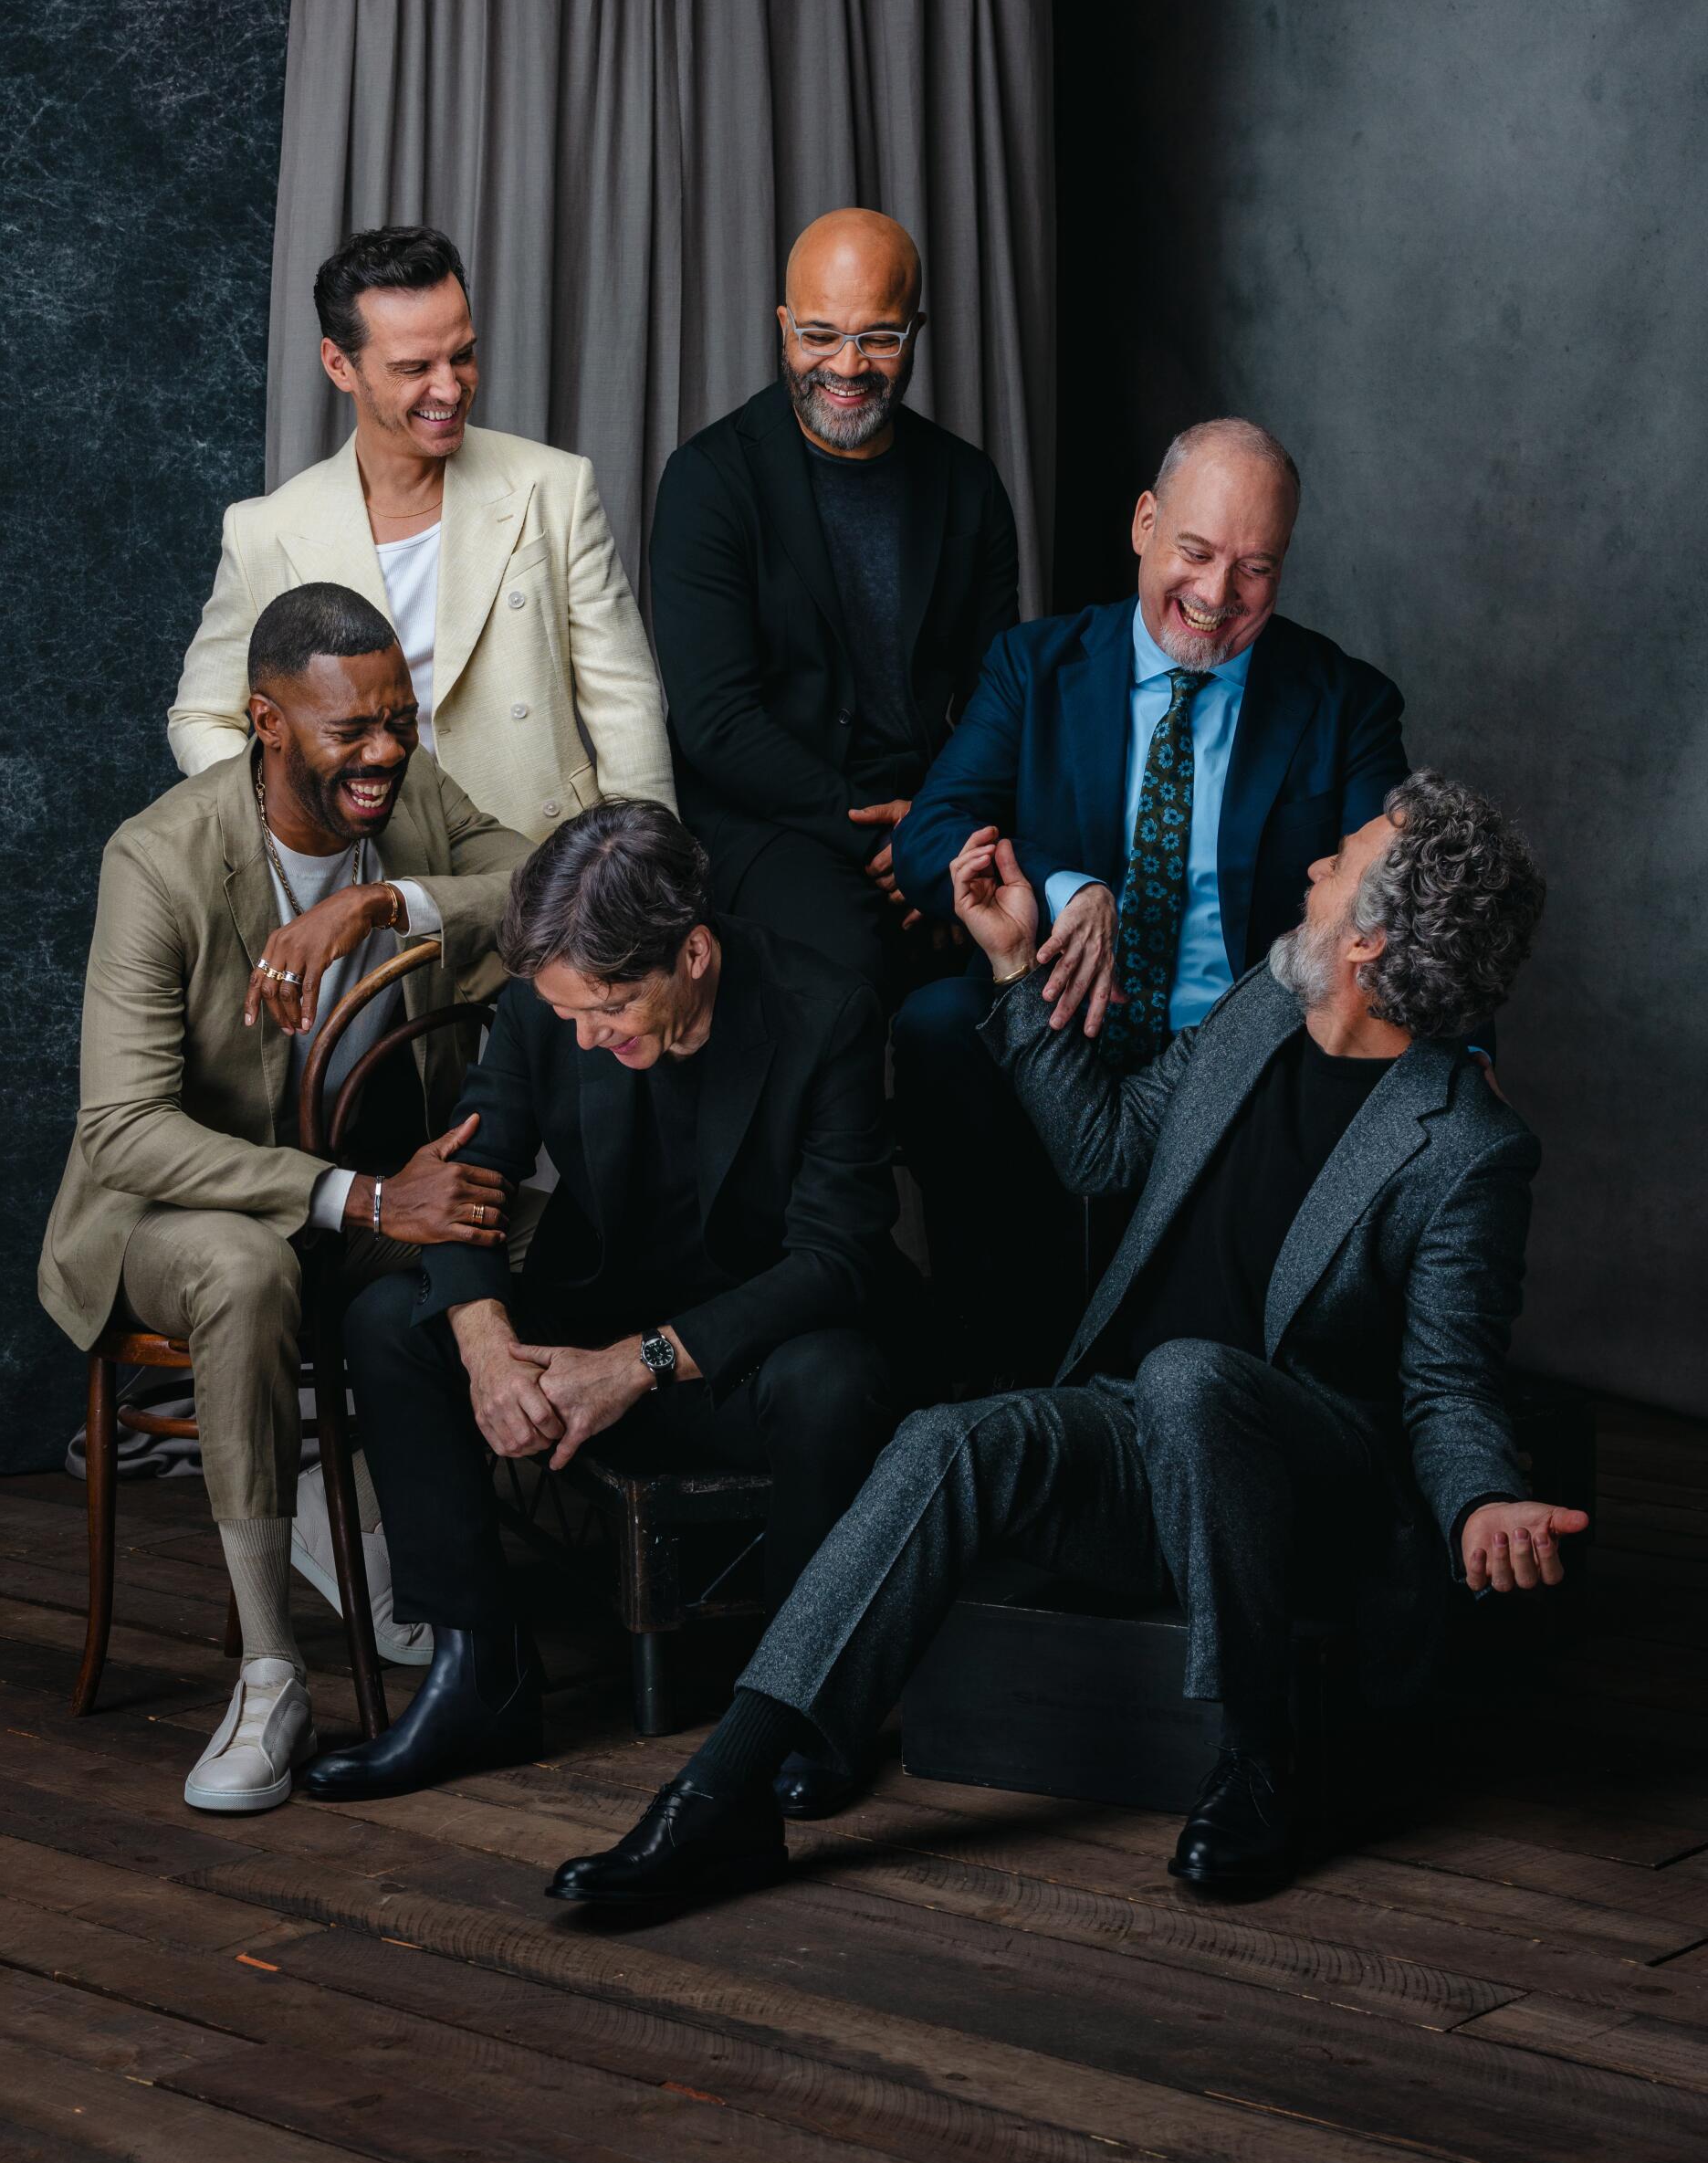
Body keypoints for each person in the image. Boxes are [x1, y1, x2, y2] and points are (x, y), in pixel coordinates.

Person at [547, 769, 1584, 1911]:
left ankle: (1256, 1762)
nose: (1312, 868)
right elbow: (1102, 1149)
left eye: (1336, 864)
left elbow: (1444, 1386)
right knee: (947, 1441)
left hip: (1301, 1493)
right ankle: (718, 1800)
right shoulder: (1258, 1010)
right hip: (1134, 1441)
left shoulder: (1464, 1144)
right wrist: (1008, 961)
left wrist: (1480, 1498)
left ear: (1370, 942)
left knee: (1190, 1376)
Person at [302, 801, 924, 1820]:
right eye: (566, 1016)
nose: (585, 1037)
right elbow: (469, 1182)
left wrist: (638, 1362)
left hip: (753, 1344)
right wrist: (489, 1348)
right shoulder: (542, 1003)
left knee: (836, 1376)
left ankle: (802, 1700)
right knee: (388, 1321)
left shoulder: (826, 1011)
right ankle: (479, 1675)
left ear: (690, 951)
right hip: (604, 1309)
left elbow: (835, 1259)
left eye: (609, 1011)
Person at [40, 585, 530, 1815]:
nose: (382, 752)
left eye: (399, 719)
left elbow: (542, 888)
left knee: (493, 1223)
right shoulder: (158, 862)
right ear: (265, 720)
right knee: (247, 1272)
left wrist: (384, 900)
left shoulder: (409, 799)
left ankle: (393, 1544)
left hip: (356, 1194)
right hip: (170, 1213)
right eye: (348, 728)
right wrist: (359, 1195)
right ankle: (271, 1672)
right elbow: (124, 1128)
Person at [890, 418, 1409, 1377]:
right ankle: (985, 1352)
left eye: (1254, 568)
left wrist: (1464, 1057)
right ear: (1142, 524)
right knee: (933, 1026)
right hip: (1052, 1013)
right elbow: (927, 838)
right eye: (1196, 552)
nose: (1215, 597)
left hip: (1232, 1045)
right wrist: (1063, 884)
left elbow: (1395, 899)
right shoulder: (1034, 666)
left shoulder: (1343, 703)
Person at [166, 224, 676, 841]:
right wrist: (287, 815)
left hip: (541, 863)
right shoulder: (265, 531)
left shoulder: (555, 488)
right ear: (339, 364)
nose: (450, 388)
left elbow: (625, 702)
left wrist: (645, 872)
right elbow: (201, 714)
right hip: (358, 865)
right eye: (414, 367)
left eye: (461, 354)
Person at [648, 207, 1019, 1006]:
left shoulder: (968, 485)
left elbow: (1001, 697)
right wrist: (882, 834)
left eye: (878, 337)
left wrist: (940, 829)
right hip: (769, 817)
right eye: (820, 336)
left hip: (930, 808)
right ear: (783, 329)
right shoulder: (708, 482)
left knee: (1020, 961)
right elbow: (716, 723)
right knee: (849, 963)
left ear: (915, 330)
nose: (847, 366)